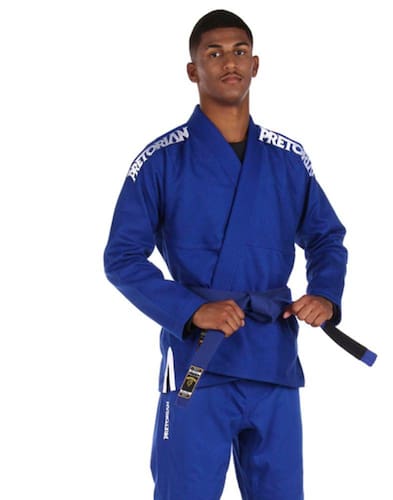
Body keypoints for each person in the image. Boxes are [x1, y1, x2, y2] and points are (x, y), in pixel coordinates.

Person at [104, 9, 347, 500]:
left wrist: (324, 293)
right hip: (199, 362)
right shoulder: (161, 161)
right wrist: (193, 310)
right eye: (213, 53)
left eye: (239, 52)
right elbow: (122, 257)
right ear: (193, 70)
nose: (229, 62)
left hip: (273, 359)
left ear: (255, 65)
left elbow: (326, 236)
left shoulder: (288, 159)